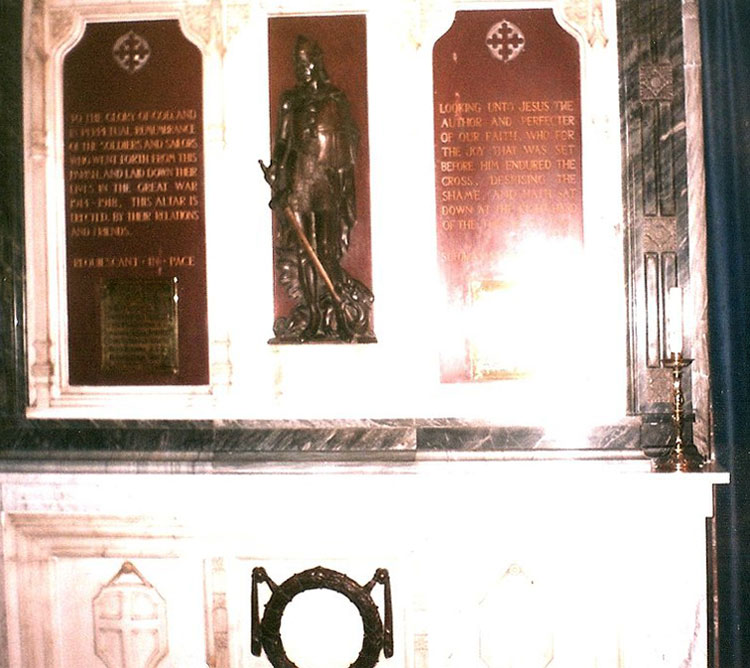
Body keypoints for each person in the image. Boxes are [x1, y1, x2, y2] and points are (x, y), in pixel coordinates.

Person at [261, 35, 375, 343]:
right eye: (297, 63)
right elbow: (283, 142)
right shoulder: (290, 100)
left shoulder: (334, 97)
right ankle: (311, 315)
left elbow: (349, 138)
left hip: (327, 178)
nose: (302, 68)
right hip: (299, 178)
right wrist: (276, 170)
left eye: (306, 62)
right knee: (303, 250)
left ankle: (337, 311)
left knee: (324, 249)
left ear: (316, 63)